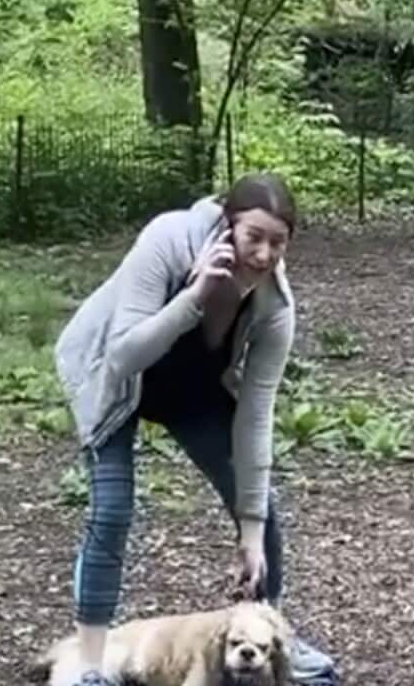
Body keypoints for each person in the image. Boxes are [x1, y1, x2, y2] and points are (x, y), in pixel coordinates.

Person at [52, 173, 338, 686]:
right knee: (113, 507)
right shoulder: (169, 239)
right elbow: (123, 356)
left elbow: (255, 415)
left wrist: (249, 527)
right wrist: (196, 295)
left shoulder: (275, 308)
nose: (265, 253)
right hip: (112, 374)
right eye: (254, 236)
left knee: (261, 507)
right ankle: (88, 663)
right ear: (228, 227)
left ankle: (268, 639)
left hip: (189, 386)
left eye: (278, 242)